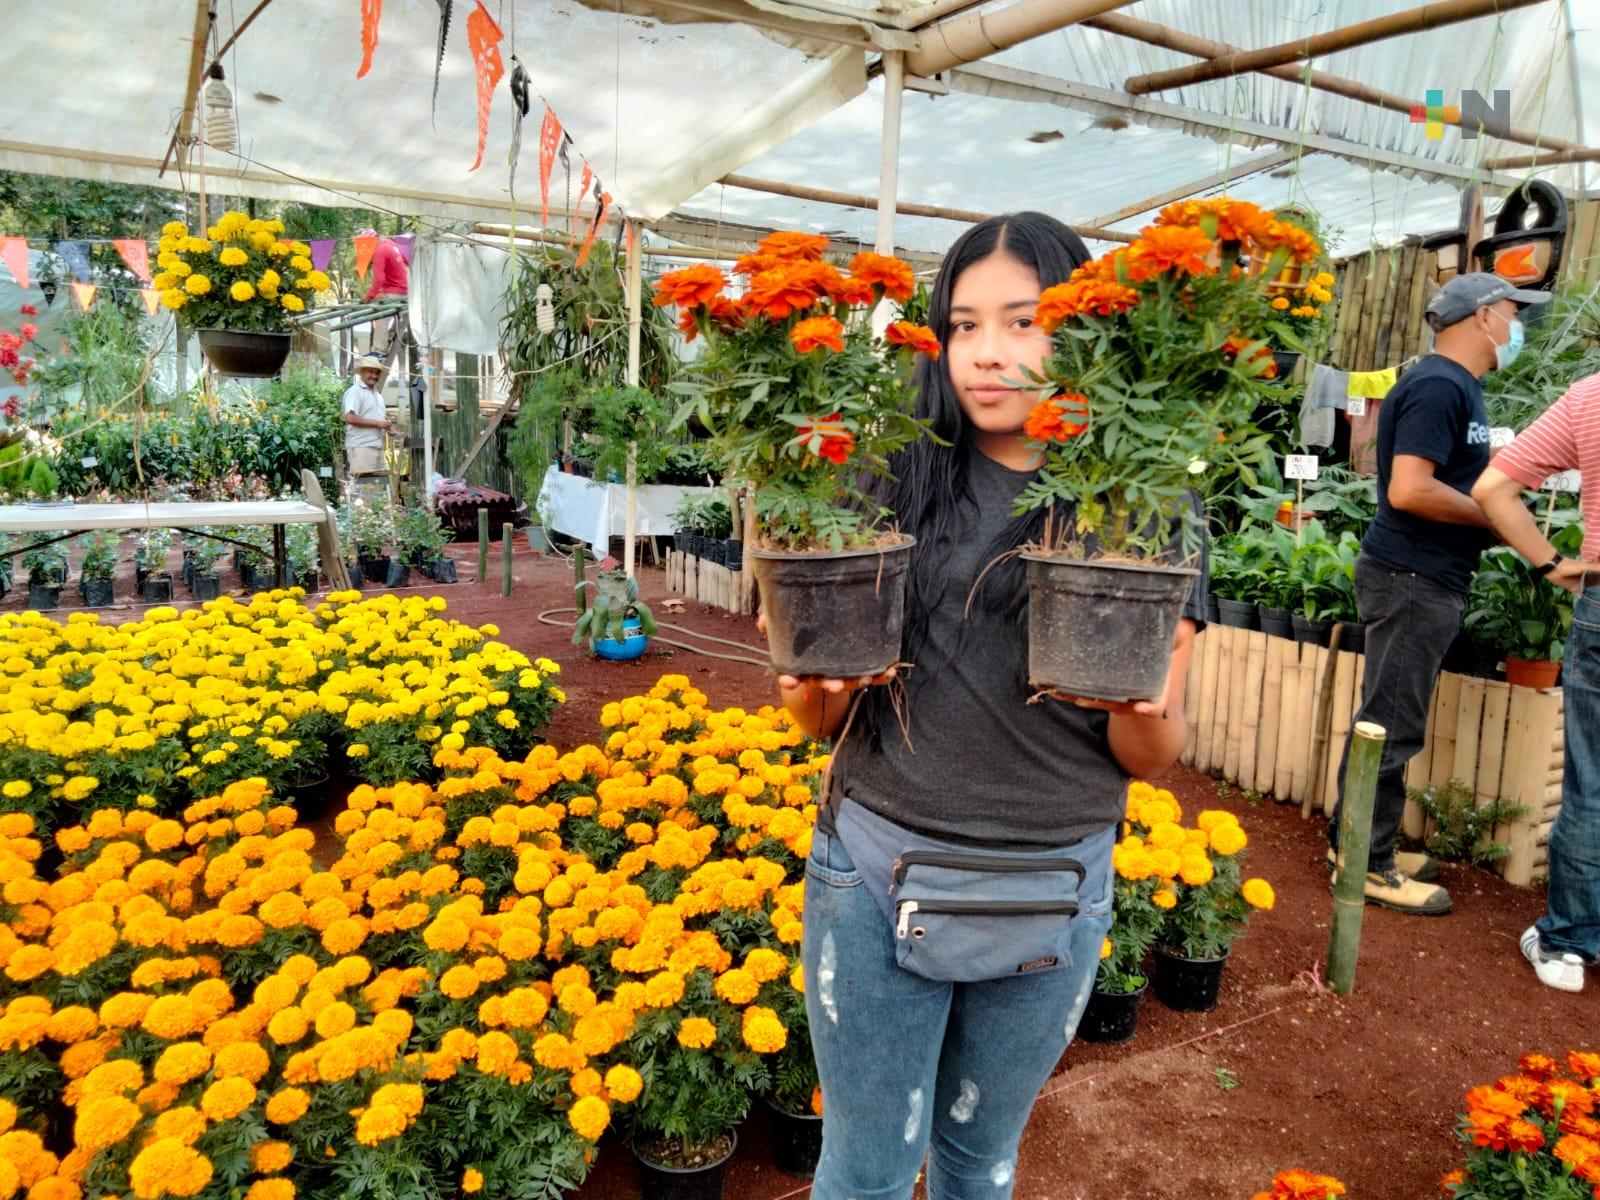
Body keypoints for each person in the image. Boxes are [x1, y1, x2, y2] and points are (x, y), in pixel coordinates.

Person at [770, 213, 1205, 1200]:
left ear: (1086, 331)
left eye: (1023, 321)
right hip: (878, 871)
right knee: (869, 1169)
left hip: (1051, 882)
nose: (989, 354)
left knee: (979, 1162)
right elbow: (820, 724)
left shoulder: (1138, 503)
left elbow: (1151, 753)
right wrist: (808, 687)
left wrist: (1140, 696)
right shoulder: (893, 477)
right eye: (964, 326)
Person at [1328, 273, 1548, 916]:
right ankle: (1362, 862)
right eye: (1513, 311)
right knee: (1390, 724)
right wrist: (1494, 517)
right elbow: (1409, 489)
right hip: (1412, 576)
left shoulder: (1457, 387)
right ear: (1482, 316)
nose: (1517, 326)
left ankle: (1362, 839)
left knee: (1393, 718)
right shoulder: (1436, 385)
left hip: (1425, 576)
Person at [1472, 375, 1600, 992]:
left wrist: (1552, 564)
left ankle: (1567, 945)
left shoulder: (1590, 396)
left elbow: (1494, 487)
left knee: (1591, 783)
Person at [342, 355, 394, 478]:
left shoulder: (378, 396)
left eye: (377, 373)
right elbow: (350, 418)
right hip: (361, 447)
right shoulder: (356, 391)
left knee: (377, 490)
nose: (374, 376)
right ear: (362, 372)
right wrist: (378, 423)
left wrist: (388, 427)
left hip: (377, 446)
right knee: (362, 489)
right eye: (371, 372)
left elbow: (378, 420)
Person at [362, 228, 410, 353]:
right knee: (384, 304)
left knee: (381, 314)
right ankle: (391, 335)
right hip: (405, 290)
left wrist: (368, 298)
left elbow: (379, 279)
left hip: (395, 291)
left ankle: (378, 350)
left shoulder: (379, 251)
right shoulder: (392, 245)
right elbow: (405, 265)